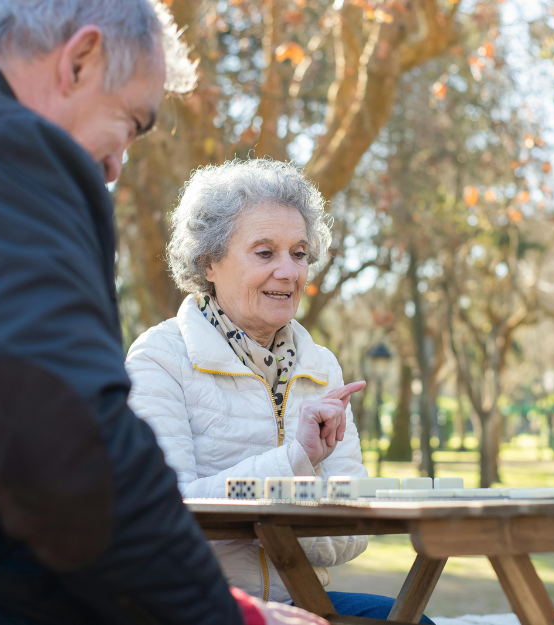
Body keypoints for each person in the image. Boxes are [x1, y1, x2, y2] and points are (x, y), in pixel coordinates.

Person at [0, 2, 326, 624]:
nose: (115, 165)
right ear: (80, 59)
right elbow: (61, 448)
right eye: (131, 123)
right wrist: (225, 614)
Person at [125, 159, 432, 623]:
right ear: (209, 262)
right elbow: (164, 511)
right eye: (265, 253)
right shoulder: (159, 357)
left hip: (301, 601)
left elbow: (354, 534)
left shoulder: (321, 365)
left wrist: (290, 518)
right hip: (196, 608)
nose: (289, 272)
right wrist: (296, 463)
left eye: (300, 253)